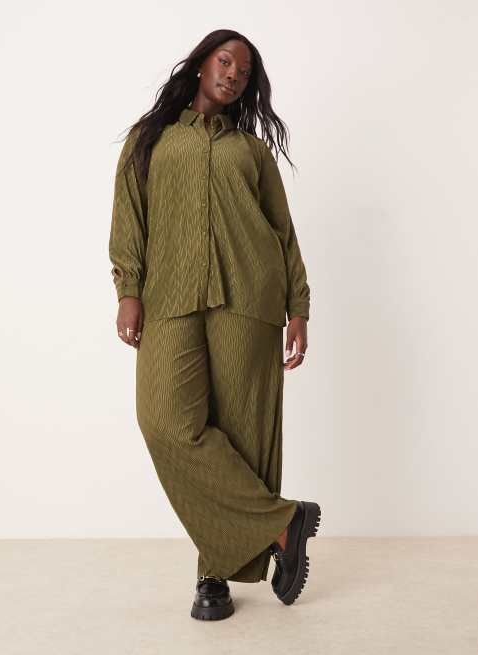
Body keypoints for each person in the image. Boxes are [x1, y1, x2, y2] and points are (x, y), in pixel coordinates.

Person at [108, 29, 321, 621]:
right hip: (169, 297)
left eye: (244, 72)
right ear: (202, 63)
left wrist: (298, 307)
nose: (233, 75)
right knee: (165, 423)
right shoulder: (150, 139)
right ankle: (283, 523)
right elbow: (128, 217)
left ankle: (213, 575)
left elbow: (281, 231)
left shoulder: (251, 152)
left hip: (249, 298)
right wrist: (129, 291)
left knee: (239, 432)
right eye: (226, 61)